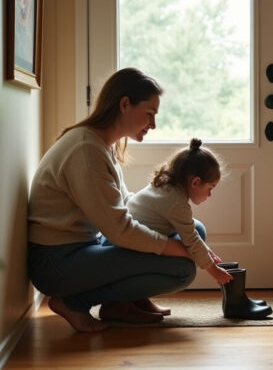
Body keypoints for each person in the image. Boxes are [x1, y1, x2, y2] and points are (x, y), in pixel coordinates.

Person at [27, 68, 208, 333]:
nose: (153, 125)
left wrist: (169, 219)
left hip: (84, 244)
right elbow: (121, 229)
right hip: (57, 262)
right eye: (149, 114)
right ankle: (73, 302)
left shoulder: (102, 145)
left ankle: (123, 302)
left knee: (195, 231)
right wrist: (175, 248)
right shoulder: (86, 150)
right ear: (125, 104)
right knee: (182, 268)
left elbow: (127, 206)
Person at [126, 138, 233, 286]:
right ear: (195, 182)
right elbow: (192, 241)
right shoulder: (176, 203)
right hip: (130, 251)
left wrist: (208, 253)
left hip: (130, 240)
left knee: (197, 229)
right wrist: (215, 271)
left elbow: (191, 234)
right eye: (210, 188)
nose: (209, 195)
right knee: (186, 268)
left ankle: (140, 300)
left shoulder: (167, 185)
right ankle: (134, 297)